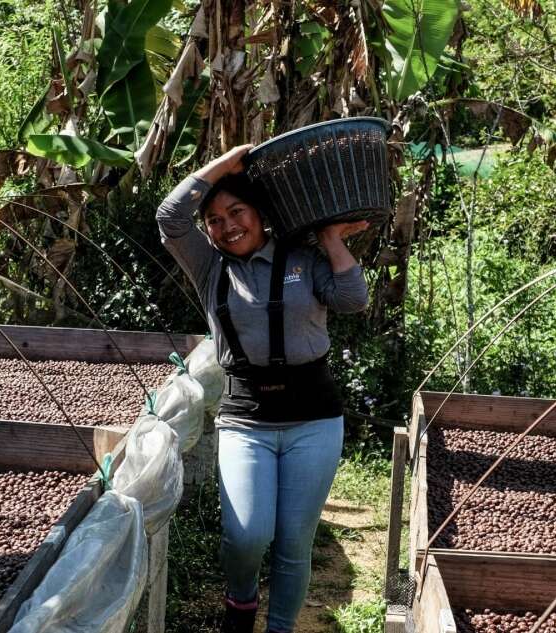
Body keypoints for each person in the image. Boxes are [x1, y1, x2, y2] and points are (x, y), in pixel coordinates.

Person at [156, 144, 370, 633]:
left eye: (237, 211)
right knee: (247, 535)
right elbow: (170, 215)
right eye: (214, 219)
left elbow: (352, 299)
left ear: (259, 213)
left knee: (294, 540)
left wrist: (332, 240)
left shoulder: (302, 258)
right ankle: (241, 601)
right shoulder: (209, 267)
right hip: (246, 418)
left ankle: (280, 628)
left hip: (314, 420)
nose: (227, 225)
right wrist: (226, 164)